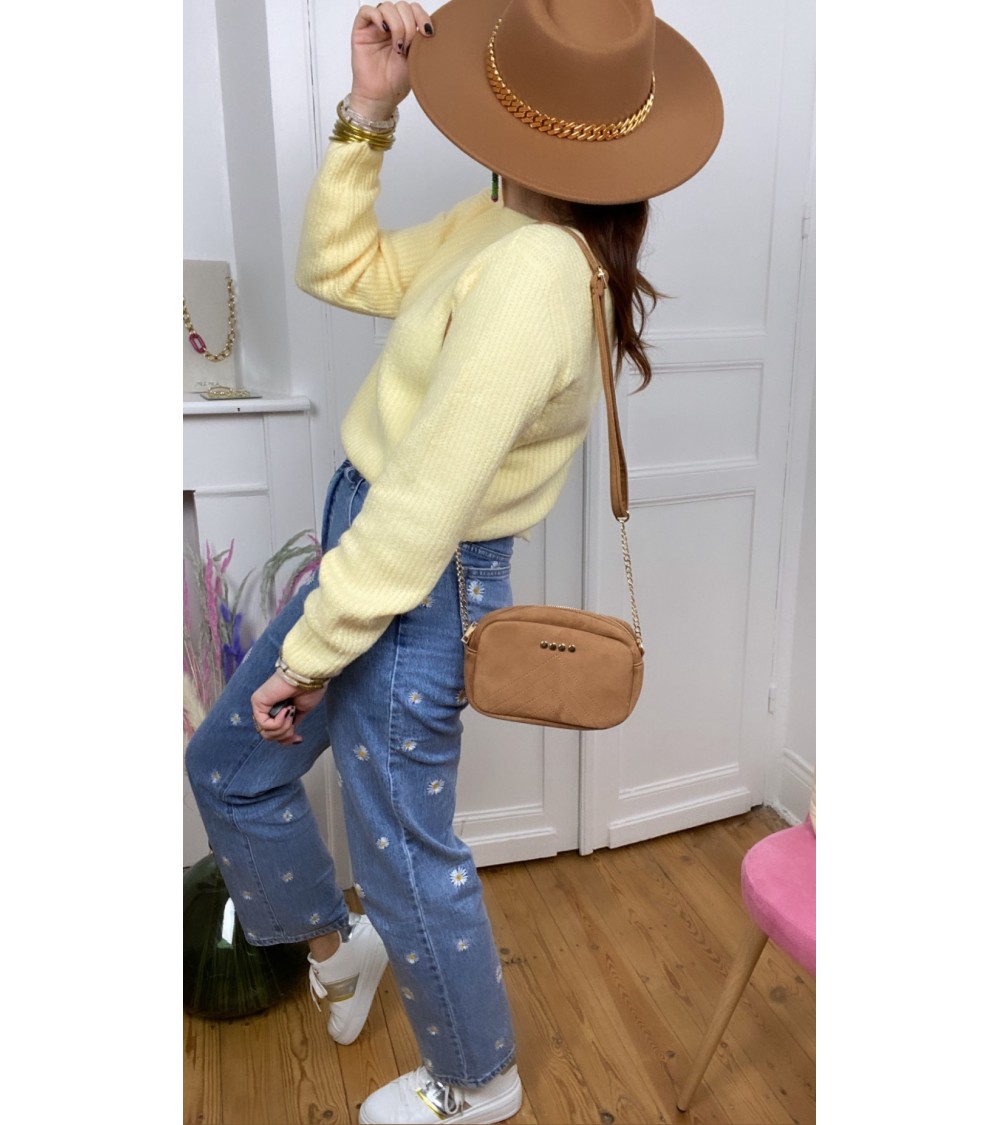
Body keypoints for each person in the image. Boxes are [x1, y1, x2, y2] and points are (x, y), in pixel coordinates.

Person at [185, 1, 722, 1122]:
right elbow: (340, 267)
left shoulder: (535, 271)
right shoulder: (495, 228)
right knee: (231, 765)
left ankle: (479, 1080)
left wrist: (313, 655)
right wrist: (367, 115)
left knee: (405, 854)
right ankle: (342, 944)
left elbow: (426, 501)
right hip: (375, 548)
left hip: (416, 577)